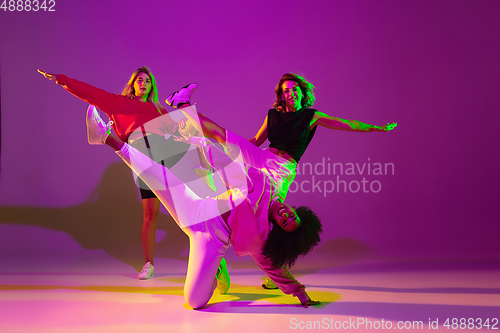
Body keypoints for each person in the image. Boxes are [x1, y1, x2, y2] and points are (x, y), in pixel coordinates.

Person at [83, 101, 323, 309]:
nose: (285, 215)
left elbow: (276, 270)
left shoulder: (262, 239)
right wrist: (201, 145)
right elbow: (232, 166)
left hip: (211, 240)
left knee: (195, 301)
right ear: (295, 210)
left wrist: (300, 294)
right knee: (156, 176)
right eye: (292, 216)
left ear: (278, 229)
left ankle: (217, 268)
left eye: (283, 222)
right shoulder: (265, 184)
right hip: (199, 208)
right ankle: (105, 136)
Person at [37, 68, 211, 280]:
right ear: (133, 83)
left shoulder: (159, 110)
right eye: (140, 80)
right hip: (143, 158)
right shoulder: (118, 103)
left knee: (188, 207)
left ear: (152, 86)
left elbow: (179, 132)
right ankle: (149, 264)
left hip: (167, 156)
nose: (144, 84)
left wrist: (186, 128)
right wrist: (62, 80)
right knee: (150, 215)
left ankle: (210, 257)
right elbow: (90, 93)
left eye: (148, 81)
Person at [246, 73, 397, 288]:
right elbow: (256, 140)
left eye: (294, 89)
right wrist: (235, 145)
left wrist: (377, 128)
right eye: (286, 91)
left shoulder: (311, 117)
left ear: (302, 92)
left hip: (281, 170)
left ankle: (277, 269)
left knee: (273, 218)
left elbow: (348, 124)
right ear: (281, 95)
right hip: (263, 160)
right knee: (237, 192)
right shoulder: (273, 115)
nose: (291, 93)